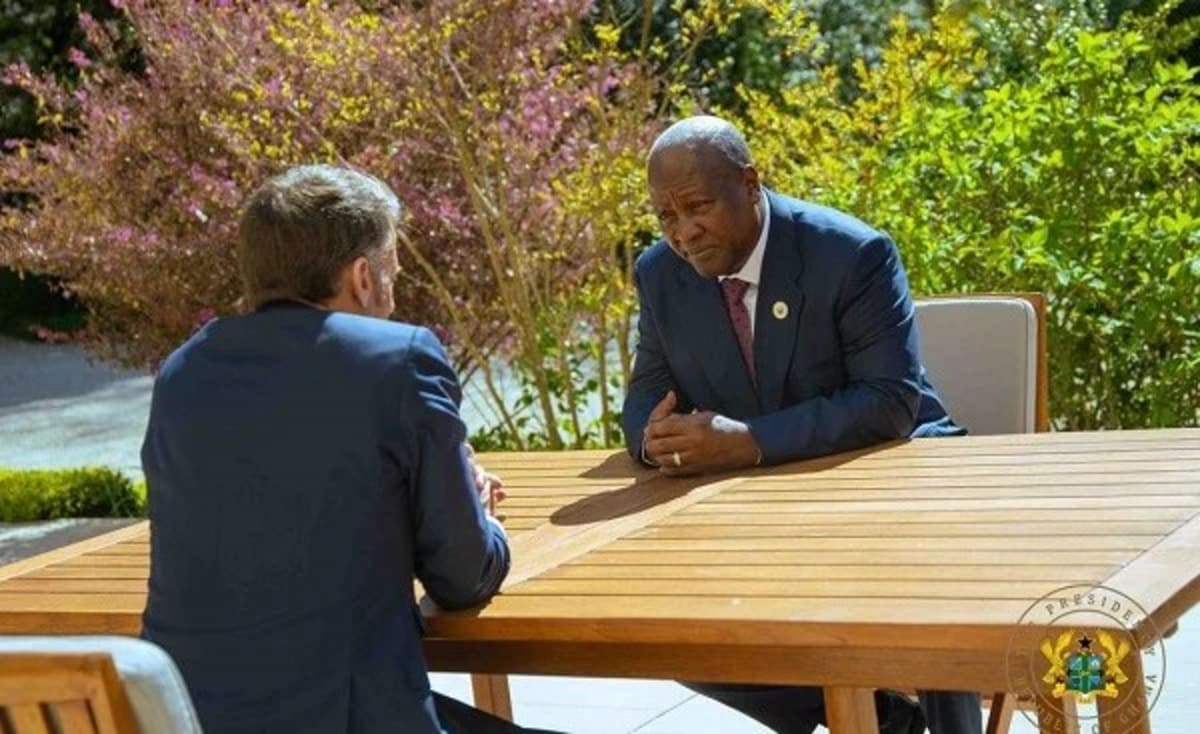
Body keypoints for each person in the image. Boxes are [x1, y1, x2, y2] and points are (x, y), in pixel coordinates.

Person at [141, 165, 557, 734]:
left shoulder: (184, 370)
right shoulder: (396, 359)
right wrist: (483, 517)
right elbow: (462, 578)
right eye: (391, 264)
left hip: (189, 717)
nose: (398, 277)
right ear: (362, 276)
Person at [621, 116, 980, 734]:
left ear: (750, 183)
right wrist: (653, 441)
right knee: (659, 622)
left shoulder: (851, 253)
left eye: (698, 207)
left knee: (930, 589)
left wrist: (752, 442)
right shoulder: (661, 274)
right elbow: (647, 392)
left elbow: (888, 400)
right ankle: (886, 718)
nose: (684, 233)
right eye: (666, 217)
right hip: (759, 505)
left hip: (888, 476)